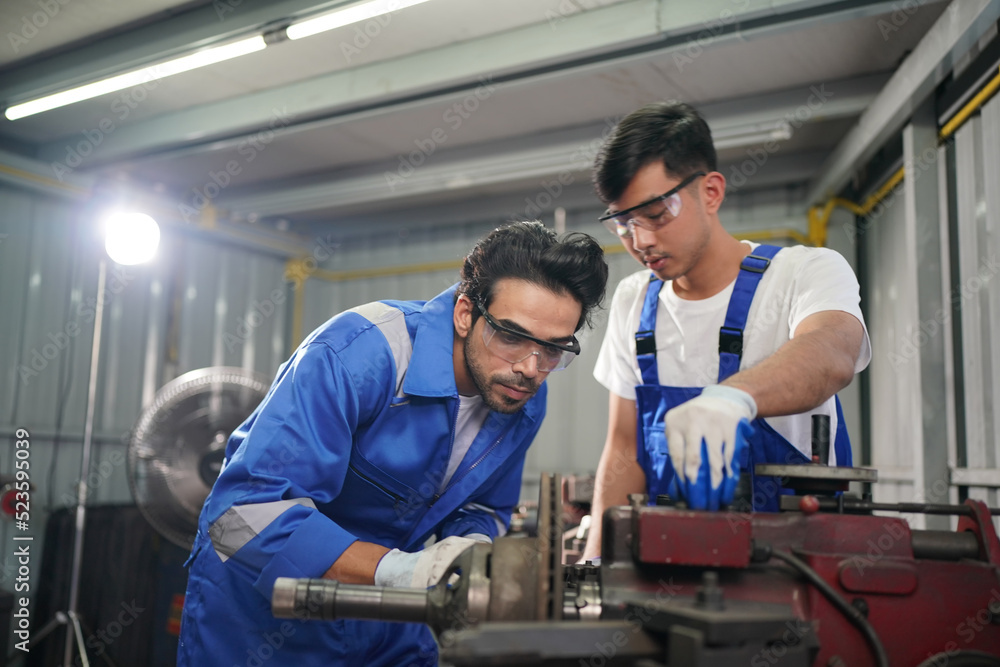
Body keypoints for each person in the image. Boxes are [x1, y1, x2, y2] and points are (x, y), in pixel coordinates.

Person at [178, 221, 608, 666]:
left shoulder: (522, 402)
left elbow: (481, 509)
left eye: (554, 349)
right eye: (512, 337)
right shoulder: (359, 355)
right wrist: (403, 570)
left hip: (390, 616)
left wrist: (470, 556)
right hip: (263, 617)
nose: (530, 367)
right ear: (466, 313)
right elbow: (239, 515)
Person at [582, 102, 871, 559]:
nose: (641, 242)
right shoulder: (633, 301)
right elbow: (624, 447)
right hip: (670, 563)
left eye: (657, 214)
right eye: (623, 224)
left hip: (801, 567)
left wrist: (734, 398)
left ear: (711, 192)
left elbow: (832, 350)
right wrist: (596, 561)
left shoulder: (805, 271)